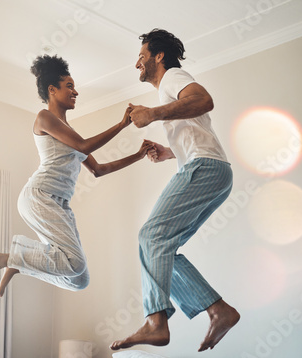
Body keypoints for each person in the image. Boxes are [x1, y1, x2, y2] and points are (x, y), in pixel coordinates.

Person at [0, 55, 153, 295]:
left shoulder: (70, 133)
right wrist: (121, 124)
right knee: (74, 262)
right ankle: (4, 258)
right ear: (52, 90)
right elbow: (83, 147)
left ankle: (17, 264)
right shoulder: (44, 118)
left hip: (59, 205)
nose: (76, 92)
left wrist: (138, 155)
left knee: (79, 279)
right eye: (69, 86)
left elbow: (99, 170)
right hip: (40, 196)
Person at [110, 29, 239, 353]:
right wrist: (170, 151)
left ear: (159, 56)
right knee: (161, 247)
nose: (136, 62)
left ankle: (156, 321)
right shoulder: (169, 87)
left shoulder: (172, 77)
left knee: (150, 236)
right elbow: (197, 129)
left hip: (205, 168)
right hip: (210, 169)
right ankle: (217, 310)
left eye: (142, 56)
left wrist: (152, 114)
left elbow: (203, 100)